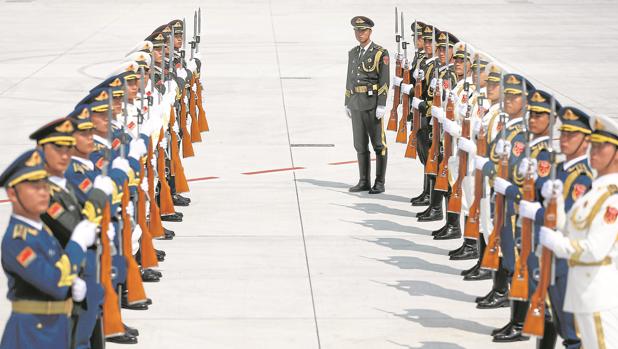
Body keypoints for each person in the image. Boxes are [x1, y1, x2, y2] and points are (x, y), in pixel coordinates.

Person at [0, 149, 96, 349]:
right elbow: (54, 283)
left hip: (55, 326)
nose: (44, 192)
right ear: (12, 193)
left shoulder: (40, 230)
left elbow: (56, 266)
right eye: (34, 186)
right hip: (32, 333)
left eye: (45, 185)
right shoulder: (17, 240)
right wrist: (77, 245)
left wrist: (73, 284)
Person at [539, 113, 618, 349]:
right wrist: (553, 205)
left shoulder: (612, 199)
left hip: (599, 294)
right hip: (583, 293)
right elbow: (576, 231)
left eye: (601, 147)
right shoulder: (596, 192)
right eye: (592, 145)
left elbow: (594, 250)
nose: (593, 151)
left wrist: (556, 243)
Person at [344, 15, 389, 194]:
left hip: (372, 104)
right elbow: (349, 79)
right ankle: (364, 181)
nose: (360, 33)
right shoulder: (353, 53)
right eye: (357, 30)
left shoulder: (380, 53)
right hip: (356, 103)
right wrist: (347, 101)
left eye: (363, 30)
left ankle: (379, 182)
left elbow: (384, 80)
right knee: (360, 145)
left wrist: (382, 104)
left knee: (378, 144)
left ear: (370, 31)